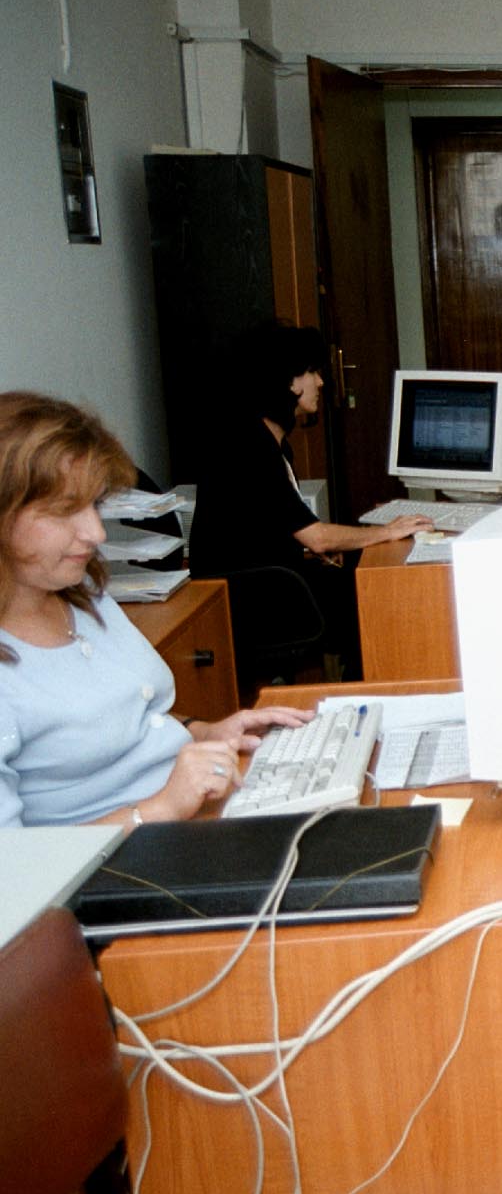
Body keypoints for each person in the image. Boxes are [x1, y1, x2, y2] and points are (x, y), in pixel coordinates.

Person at [0, 392, 311, 827]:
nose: (94, 532)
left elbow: (133, 715)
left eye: (94, 505)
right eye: (65, 511)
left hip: (185, 824)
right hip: (109, 874)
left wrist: (207, 732)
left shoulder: (82, 595)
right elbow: (13, 872)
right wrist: (160, 808)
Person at [186, 323, 431, 674]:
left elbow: (276, 527)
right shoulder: (250, 449)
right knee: (375, 599)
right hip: (257, 598)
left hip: (271, 582)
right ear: (287, 381)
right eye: (312, 372)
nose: (320, 382)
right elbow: (314, 534)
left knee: (359, 586)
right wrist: (385, 532)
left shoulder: (269, 440)